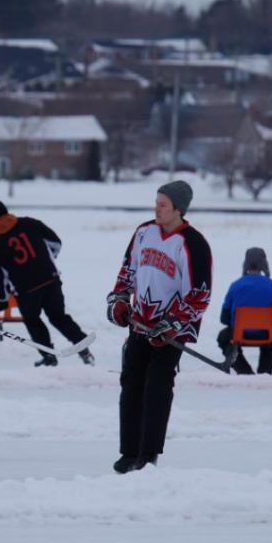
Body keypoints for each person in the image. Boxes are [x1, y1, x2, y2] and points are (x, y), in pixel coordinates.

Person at [106, 180, 211, 474]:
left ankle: (148, 453)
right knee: (131, 384)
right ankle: (129, 451)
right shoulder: (144, 232)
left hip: (170, 334)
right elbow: (128, 270)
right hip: (139, 325)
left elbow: (200, 294)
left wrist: (172, 323)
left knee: (157, 387)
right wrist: (120, 300)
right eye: (156, 202)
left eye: (163, 204)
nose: (157, 209)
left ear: (178, 209)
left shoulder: (194, 244)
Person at [0, 200, 93, 367]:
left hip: (26, 290)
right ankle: (83, 346)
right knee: (58, 317)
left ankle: (49, 356)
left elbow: (2, 277)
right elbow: (55, 243)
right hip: (50, 280)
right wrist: (47, 261)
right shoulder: (30, 223)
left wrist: (1, 299)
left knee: (32, 321)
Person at [216, 247, 272, 375]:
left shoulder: (236, 286)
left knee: (223, 338)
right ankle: (265, 371)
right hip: (267, 335)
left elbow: (224, 318)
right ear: (264, 264)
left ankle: (244, 370)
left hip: (240, 334)